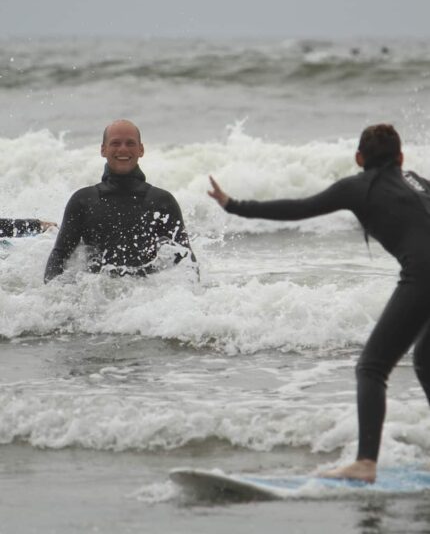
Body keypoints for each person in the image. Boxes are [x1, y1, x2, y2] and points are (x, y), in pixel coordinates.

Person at [208, 124, 430, 483]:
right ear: (401, 158)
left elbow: (299, 208)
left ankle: (365, 464)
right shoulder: (417, 181)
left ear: (359, 158)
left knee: (371, 368)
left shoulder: (357, 187)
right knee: (426, 359)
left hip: (424, 275)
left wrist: (234, 206)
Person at [44, 119, 197, 282]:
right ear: (103, 150)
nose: (123, 149)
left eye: (130, 143)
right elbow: (59, 256)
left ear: (141, 150)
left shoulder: (161, 201)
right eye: (115, 143)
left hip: (148, 299)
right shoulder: (83, 200)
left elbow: (186, 261)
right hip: (96, 298)